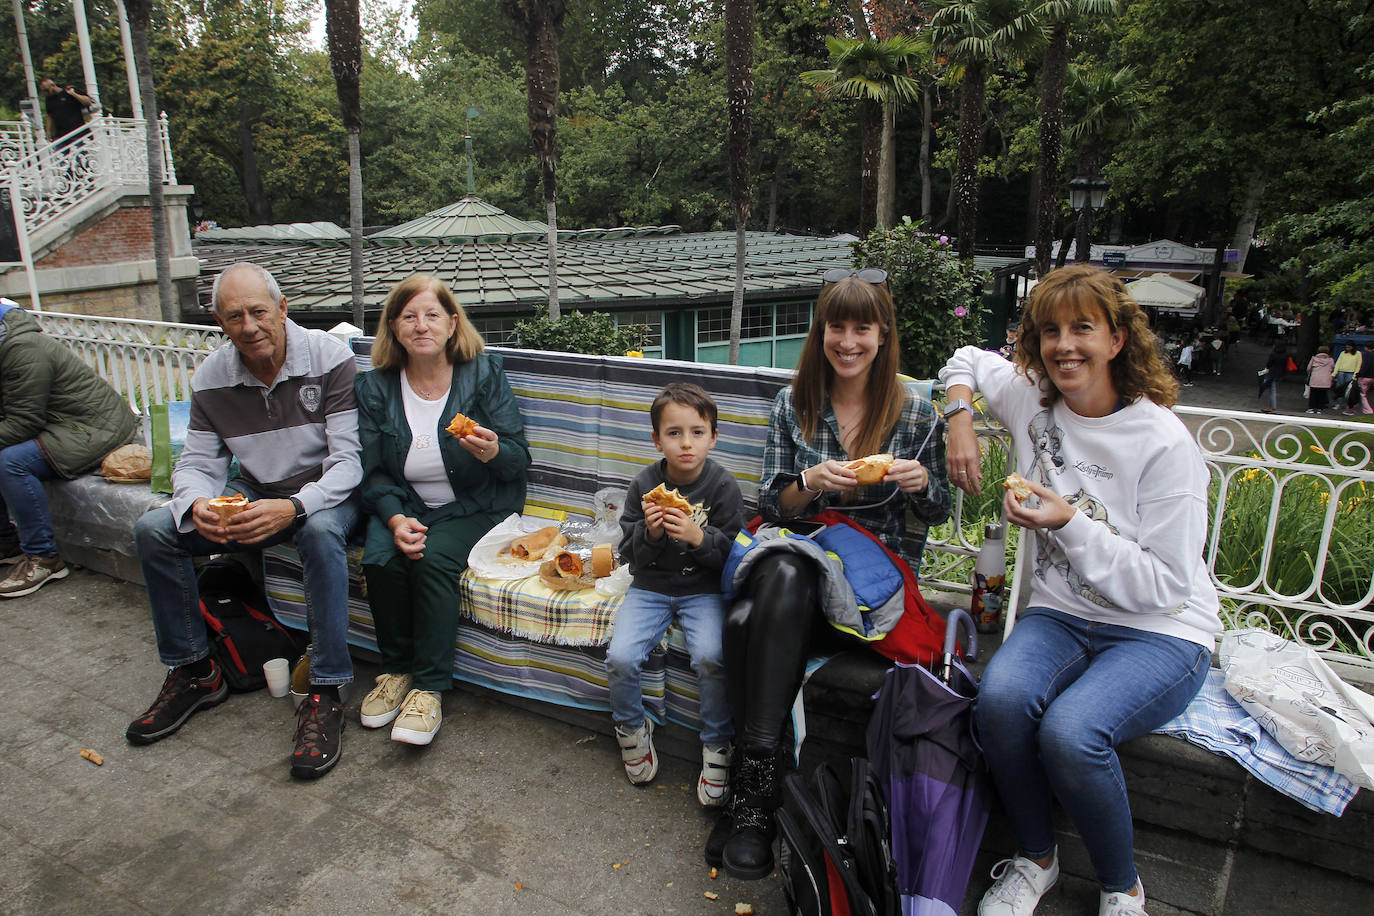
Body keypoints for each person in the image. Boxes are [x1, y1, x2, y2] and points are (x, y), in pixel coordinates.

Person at [941, 265, 1219, 916]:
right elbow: (966, 358)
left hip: (1162, 630)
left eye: (1083, 329)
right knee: (1001, 702)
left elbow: (1167, 583)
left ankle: (1123, 889)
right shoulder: (1033, 403)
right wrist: (958, 414)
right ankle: (1037, 860)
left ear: (1118, 340)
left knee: (1071, 732)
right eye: (1049, 332)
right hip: (1062, 616)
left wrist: (1072, 523)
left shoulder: (1164, 444)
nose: (1064, 345)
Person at [707, 268, 950, 880]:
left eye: (861, 328)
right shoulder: (796, 404)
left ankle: (751, 795)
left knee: (743, 616)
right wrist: (810, 483)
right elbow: (771, 504)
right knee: (789, 561)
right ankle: (758, 793)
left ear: (882, 334)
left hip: (872, 592)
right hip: (799, 580)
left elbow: (943, 509)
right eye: (835, 327)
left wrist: (923, 485)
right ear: (820, 334)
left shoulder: (918, 411)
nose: (847, 341)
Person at [126, 263, 362, 781]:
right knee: (154, 531)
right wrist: (195, 504)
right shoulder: (212, 377)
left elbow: (349, 462)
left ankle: (324, 688)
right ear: (219, 320)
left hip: (325, 491)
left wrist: (297, 505)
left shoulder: (330, 358)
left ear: (282, 308)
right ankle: (195, 669)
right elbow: (196, 464)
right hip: (254, 491)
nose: (249, 325)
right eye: (235, 316)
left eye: (259, 311)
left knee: (320, 533)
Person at [354, 275, 530, 747]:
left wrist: (493, 452)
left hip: (476, 504)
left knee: (432, 559)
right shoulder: (374, 387)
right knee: (381, 557)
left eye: (432, 315)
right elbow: (373, 473)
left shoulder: (483, 373)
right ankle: (395, 672)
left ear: (453, 324)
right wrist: (393, 518)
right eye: (409, 316)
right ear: (393, 327)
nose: (421, 325)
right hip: (407, 502)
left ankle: (429, 687)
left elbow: (518, 460)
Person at [607, 382, 743, 805]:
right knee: (621, 657)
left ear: (713, 436)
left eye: (697, 432)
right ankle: (631, 728)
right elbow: (629, 555)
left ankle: (718, 741)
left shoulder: (723, 487)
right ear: (656, 439)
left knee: (711, 657)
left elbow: (736, 558)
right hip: (650, 587)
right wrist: (649, 532)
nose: (686, 443)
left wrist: (699, 538)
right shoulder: (644, 484)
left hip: (704, 591)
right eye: (674, 433)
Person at [0, 297, 137, 597]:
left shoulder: (23, 350)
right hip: (66, 425)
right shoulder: (8, 348)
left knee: (11, 463)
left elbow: (23, 421)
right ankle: (5, 542)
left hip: (96, 429)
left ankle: (44, 558)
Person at [39, 78, 92, 147]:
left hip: (77, 132)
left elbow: (87, 102)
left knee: (78, 156)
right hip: (60, 135)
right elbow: (49, 115)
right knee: (59, 156)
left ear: (52, 85)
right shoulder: (49, 99)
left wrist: (74, 94)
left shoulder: (68, 91)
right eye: (44, 91)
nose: (46, 92)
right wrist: (48, 132)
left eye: (47, 90)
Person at [1258, 342, 1289, 413]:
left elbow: (1268, 364)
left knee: (1272, 391)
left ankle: (1272, 406)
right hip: (1279, 373)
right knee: (1272, 390)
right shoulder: (1285, 355)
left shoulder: (1273, 354)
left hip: (1272, 373)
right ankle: (1270, 406)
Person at [1306, 346, 1335, 414]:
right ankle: (1320, 408)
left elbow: (1308, 368)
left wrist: (1309, 374)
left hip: (1315, 379)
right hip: (1326, 380)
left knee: (1313, 394)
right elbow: (1333, 368)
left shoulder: (1314, 359)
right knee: (1322, 395)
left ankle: (1311, 408)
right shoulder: (1330, 360)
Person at [1356, 343, 1374, 415]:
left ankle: (1368, 410)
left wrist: (1359, 374)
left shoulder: (1366, 355)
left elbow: (1365, 366)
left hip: (1365, 377)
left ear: (1366, 347)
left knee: (1362, 394)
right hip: (1372, 377)